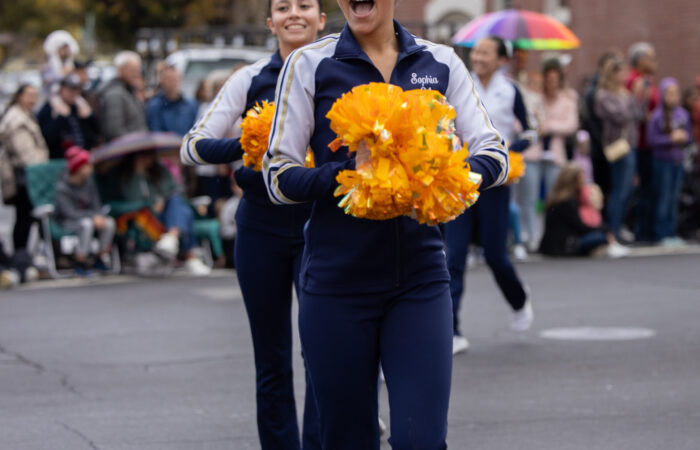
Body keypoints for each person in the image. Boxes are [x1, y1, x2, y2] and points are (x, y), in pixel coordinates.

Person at [262, 1, 508, 447]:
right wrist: (350, 175)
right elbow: (278, 177)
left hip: (420, 281)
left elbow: (494, 153)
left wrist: (445, 180)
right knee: (348, 439)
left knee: (422, 440)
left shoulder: (441, 61)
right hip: (336, 285)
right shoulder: (309, 63)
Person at [181, 1, 326, 448]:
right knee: (272, 359)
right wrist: (247, 143)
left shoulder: (342, 75)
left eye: (305, 5)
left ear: (323, 19)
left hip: (320, 231)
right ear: (271, 23)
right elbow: (192, 147)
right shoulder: (248, 79)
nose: (294, 13)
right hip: (261, 230)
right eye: (283, 7)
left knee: (322, 353)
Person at [445, 35, 535, 356]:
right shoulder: (458, 82)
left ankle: (518, 299)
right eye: (476, 52)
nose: (478, 58)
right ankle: (451, 330)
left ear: (500, 59)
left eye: (486, 53)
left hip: (495, 181)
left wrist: (512, 150)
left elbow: (531, 131)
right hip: (460, 177)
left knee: (495, 255)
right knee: (453, 255)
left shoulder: (510, 90)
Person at [101, 151, 210, 276]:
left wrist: (161, 200)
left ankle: (172, 237)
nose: (147, 159)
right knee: (184, 213)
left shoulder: (159, 170)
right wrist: (138, 173)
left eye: (149, 155)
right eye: (143, 156)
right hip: (139, 215)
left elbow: (174, 189)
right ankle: (189, 256)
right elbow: (130, 199)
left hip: (163, 214)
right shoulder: (122, 175)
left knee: (178, 202)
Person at [518, 57, 578, 249]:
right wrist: (535, 127)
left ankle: (549, 235)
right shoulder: (533, 98)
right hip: (533, 154)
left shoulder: (567, 100)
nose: (551, 83)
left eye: (555, 79)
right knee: (529, 196)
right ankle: (531, 235)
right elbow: (520, 121)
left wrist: (549, 126)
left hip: (555, 155)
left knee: (553, 198)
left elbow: (571, 125)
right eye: (548, 79)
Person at [595, 58, 644, 241]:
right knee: (619, 190)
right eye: (621, 72)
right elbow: (621, 117)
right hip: (618, 147)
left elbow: (638, 115)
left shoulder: (626, 93)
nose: (625, 76)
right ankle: (612, 231)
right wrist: (634, 97)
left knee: (628, 189)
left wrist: (639, 97)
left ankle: (618, 227)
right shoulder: (604, 95)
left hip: (630, 145)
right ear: (613, 74)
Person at [539, 163, 628, 258]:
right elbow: (580, 226)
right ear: (573, 181)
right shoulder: (567, 202)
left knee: (599, 235)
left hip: (553, 245)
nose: (584, 181)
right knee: (600, 237)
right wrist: (604, 230)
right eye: (581, 179)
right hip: (563, 245)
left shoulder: (557, 197)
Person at [0, 85, 49, 251]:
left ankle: (36, 255)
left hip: (29, 174)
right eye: (29, 96)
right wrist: (43, 170)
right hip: (24, 176)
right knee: (25, 217)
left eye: (35, 96)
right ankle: (21, 258)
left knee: (30, 217)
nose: (33, 100)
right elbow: (26, 154)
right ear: (19, 96)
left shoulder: (25, 115)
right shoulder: (16, 118)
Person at [54, 147, 116, 275]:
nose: (91, 169)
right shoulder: (62, 187)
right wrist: (93, 216)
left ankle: (99, 257)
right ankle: (80, 261)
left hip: (89, 217)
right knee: (86, 224)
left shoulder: (89, 182)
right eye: (87, 166)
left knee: (109, 223)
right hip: (67, 221)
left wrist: (98, 215)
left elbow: (96, 204)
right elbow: (69, 213)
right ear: (78, 167)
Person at [646, 78, 692, 245]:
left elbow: (689, 137)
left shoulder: (683, 114)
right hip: (662, 161)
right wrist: (670, 139)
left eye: (675, 93)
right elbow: (651, 140)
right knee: (663, 198)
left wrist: (684, 138)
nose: (672, 97)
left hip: (677, 161)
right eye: (669, 93)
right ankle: (661, 233)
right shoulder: (657, 116)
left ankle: (671, 232)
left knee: (674, 198)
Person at [626, 42, 659, 242]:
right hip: (638, 142)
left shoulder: (649, 80)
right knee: (638, 188)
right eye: (651, 58)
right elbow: (637, 111)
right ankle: (639, 229)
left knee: (649, 188)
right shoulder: (633, 80)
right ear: (640, 61)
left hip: (651, 142)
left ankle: (647, 229)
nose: (655, 62)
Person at [581, 49, 624, 202]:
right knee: (601, 186)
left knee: (612, 187)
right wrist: (603, 143)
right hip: (600, 147)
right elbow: (590, 121)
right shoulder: (595, 91)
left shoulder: (615, 90)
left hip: (613, 146)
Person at [38, 74, 100, 159]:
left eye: (77, 90)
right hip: (62, 159)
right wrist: (60, 117)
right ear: (62, 89)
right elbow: (46, 137)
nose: (74, 93)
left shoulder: (79, 106)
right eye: (71, 90)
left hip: (84, 156)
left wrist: (89, 116)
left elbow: (96, 131)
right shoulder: (50, 108)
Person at [98, 51, 148, 142]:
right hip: (127, 150)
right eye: (133, 70)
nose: (137, 74)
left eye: (138, 69)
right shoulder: (114, 94)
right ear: (120, 70)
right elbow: (115, 131)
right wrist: (136, 143)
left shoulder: (129, 90)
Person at [146, 65, 199, 137]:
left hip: (185, 145)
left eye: (176, 79)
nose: (173, 83)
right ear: (162, 81)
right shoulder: (154, 105)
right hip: (166, 146)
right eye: (169, 79)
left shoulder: (191, 104)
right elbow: (156, 132)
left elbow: (195, 130)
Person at [41, 30, 79, 96]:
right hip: (50, 96)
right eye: (63, 48)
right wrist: (62, 74)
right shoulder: (49, 64)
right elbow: (47, 80)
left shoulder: (69, 63)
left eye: (67, 48)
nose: (66, 51)